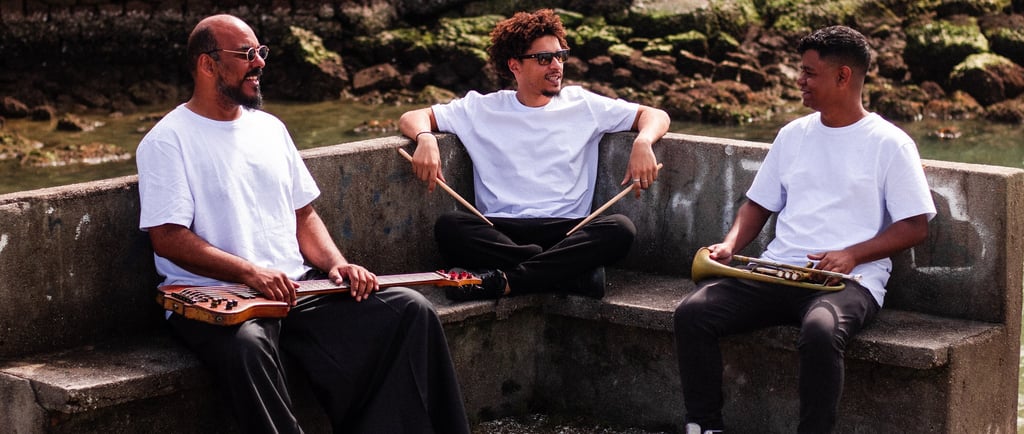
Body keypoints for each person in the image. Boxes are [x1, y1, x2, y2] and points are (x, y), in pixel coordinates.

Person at [136, 14, 470, 434]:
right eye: (246, 54)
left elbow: (303, 215)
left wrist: (337, 265)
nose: (259, 62)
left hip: (297, 289)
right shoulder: (167, 140)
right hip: (218, 298)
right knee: (247, 349)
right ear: (207, 64)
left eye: (260, 51)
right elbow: (168, 238)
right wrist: (250, 272)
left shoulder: (270, 128)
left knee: (409, 310)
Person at [673, 26, 935, 434]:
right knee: (693, 313)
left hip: (849, 282)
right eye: (801, 71)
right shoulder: (792, 134)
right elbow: (758, 204)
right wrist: (729, 244)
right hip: (778, 270)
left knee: (820, 332)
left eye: (810, 73)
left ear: (843, 76)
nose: (800, 80)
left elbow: (915, 226)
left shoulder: (890, 143)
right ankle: (704, 426)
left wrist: (852, 254)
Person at [398, 9, 670, 301]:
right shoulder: (480, 108)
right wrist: (425, 138)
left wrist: (643, 141)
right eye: (544, 58)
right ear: (514, 65)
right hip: (499, 229)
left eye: (560, 56)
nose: (556, 66)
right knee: (450, 228)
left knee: (620, 229)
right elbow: (412, 117)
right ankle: (571, 275)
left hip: (568, 229)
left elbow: (655, 115)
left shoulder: (584, 104)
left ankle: (506, 281)